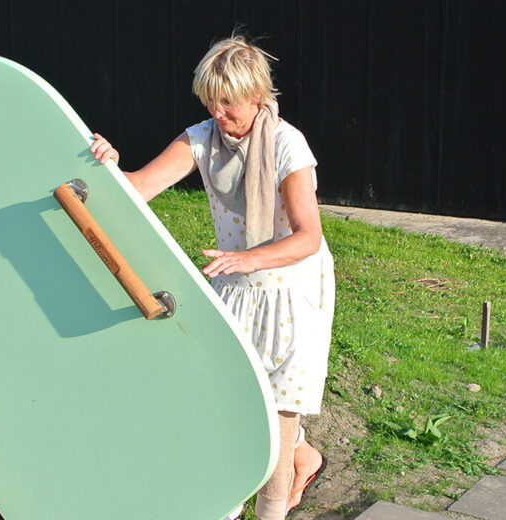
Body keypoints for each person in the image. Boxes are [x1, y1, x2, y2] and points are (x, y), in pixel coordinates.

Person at [90, 35, 335, 520]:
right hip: (237, 282)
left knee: (279, 419)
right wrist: (111, 165)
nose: (217, 112)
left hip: (293, 289)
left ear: (257, 97)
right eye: (210, 100)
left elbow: (308, 237)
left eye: (228, 102)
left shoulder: (288, 145)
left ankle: (272, 505)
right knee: (231, 399)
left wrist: (250, 259)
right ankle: (293, 465)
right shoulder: (201, 138)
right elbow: (140, 188)